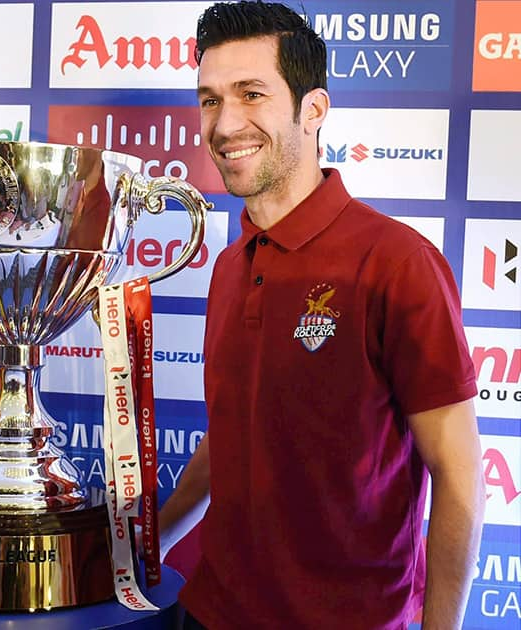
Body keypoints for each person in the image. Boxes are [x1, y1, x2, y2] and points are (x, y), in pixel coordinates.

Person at [157, 3, 484, 629]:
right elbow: (230, 433)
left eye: (252, 94)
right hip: (207, 612)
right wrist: (145, 545)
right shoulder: (229, 265)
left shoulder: (398, 262)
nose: (225, 124)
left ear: (313, 110)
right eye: (209, 99)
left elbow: (459, 475)